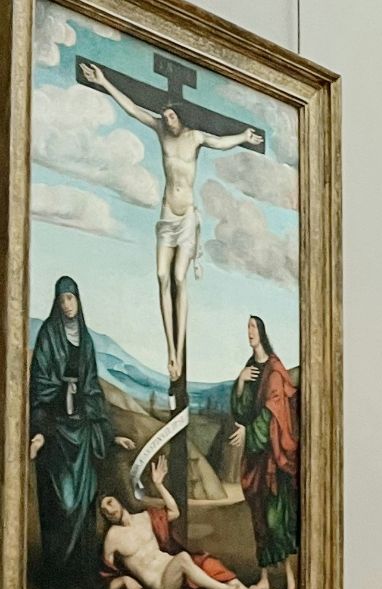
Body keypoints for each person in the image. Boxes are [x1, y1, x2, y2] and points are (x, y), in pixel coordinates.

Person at [81, 61, 263, 382]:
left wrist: (242, 135)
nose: (167, 120)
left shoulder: (195, 137)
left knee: (180, 278)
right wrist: (104, 80)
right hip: (167, 216)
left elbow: (221, 142)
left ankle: (179, 348)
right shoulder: (160, 131)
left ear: (180, 118)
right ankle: (171, 353)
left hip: (187, 217)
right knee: (162, 276)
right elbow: (132, 109)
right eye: (164, 117)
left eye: (171, 116)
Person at [29, 275, 136, 589]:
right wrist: (40, 431)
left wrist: (108, 432)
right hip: (57, 433)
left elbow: (92, 390)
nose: (67, 304)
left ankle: (80, 574)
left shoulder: (86, 340)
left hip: (83, 433)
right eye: (62, 299)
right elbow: (39, 385)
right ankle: (57, 575)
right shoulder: (49, 335)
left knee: (85, 505)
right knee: (62, 504)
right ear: (57, 303)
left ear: (78, 300)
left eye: (71, 298)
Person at [101, 457, 277, 589]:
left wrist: (159, 485)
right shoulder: (112, 537)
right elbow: (104, 580)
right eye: (104, 510)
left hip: (175, 570)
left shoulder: (145, 517)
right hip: (162, 585)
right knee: (185, 558)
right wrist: (124, 579)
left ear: (118, 500)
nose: (109, 510)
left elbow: (174, 511)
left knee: (209, 564)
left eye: (109, 503)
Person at [229, 315, 300, 589]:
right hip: (256, 459)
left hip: (273, 457)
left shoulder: (274, 369)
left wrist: (250, 434)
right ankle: (264, 579)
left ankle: (291, 577)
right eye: (246, 327)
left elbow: (274, 412)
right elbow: (241, 412)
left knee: (275, 520)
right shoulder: (251, 369)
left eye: (253, 327)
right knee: (259, 518)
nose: (249, 332)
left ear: (262, 332)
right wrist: (240, 383)